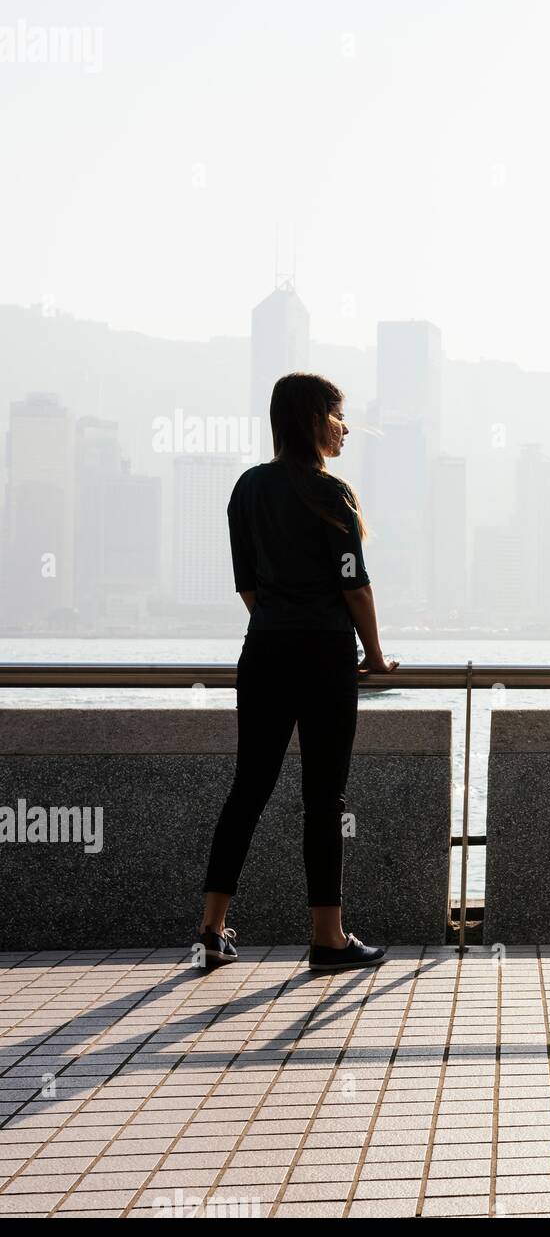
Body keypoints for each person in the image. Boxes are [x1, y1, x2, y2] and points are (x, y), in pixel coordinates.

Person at [197, 371, 399, 973]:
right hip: (324, 658)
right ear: (314, 420)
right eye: (339, 417)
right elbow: (355, 588)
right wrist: (377, 657)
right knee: (322, 799)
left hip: (264, 655)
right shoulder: (330, 494)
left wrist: (281, 621)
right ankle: (327, 938)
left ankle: (211, 927)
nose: (345, 429)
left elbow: (248, 586)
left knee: (248, 790)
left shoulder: (247, 489)